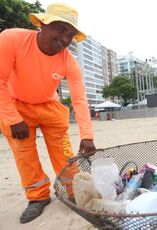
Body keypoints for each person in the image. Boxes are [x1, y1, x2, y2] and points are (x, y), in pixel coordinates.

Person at [0, 3, 96, 223]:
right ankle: (38, 197)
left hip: (49, 106)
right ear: (43, 23)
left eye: (71, 34)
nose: (65, 38)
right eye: (60, 29)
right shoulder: (11, 39)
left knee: (63, 153)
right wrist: (13, 119)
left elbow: (79, 100)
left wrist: (87, 136)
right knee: (25, 155)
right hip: (17, 106)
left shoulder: (69, 63)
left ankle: (72, 190)